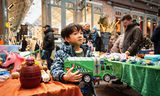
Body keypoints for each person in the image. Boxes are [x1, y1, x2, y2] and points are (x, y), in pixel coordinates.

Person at [50, 23, 96, 96]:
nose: (80, 35)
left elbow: (95, 65)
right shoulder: (61, 53)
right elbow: (54, 69)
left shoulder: (88, 51)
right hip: (71, 91)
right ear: (67, 39)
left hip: (88, 90)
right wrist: (64, 76)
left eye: (81, 33)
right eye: (75, 34)